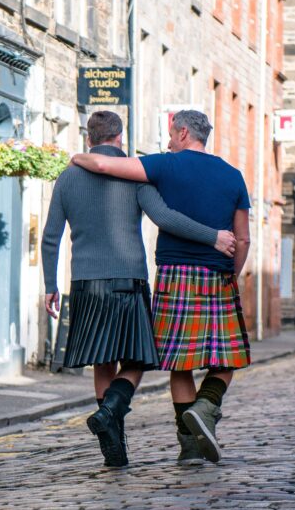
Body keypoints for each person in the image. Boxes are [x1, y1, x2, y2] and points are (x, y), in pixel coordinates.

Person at [42, 110, 236, 467]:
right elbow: (165, 218)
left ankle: (114, 450)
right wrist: (213, 237)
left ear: (89, 139)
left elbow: (51, 236)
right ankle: (114, 406)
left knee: (103, 362)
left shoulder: (66, 179)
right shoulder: (135, 176)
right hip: (129, 280)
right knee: (139, 358)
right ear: (119, 138)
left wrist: (50, 286)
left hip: (84, 283)